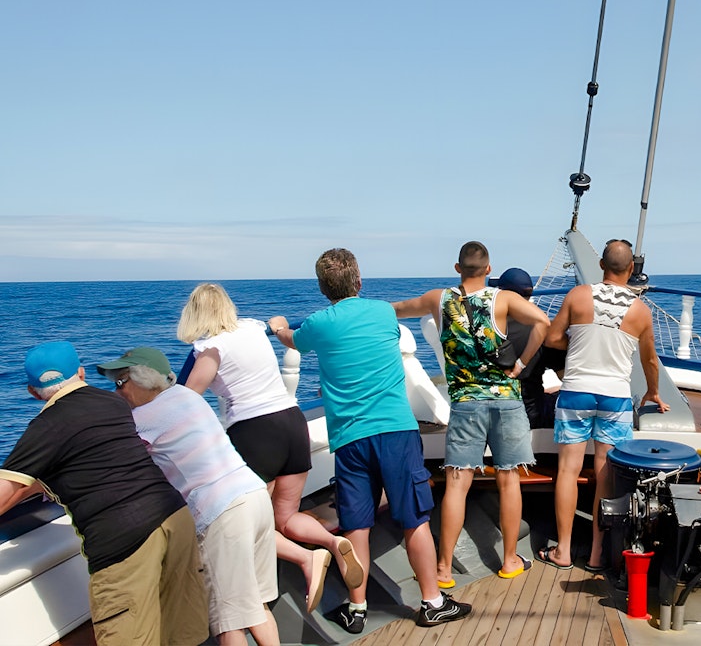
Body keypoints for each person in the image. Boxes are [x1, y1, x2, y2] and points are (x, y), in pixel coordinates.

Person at [270, 247, 471, 631]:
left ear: (321, 288)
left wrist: (279, 326)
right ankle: (432, 602)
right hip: (396, 430)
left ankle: (356, 608)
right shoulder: (381, 311)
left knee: (355, 526)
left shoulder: (317, 323)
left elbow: (292, 340)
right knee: (414, 520)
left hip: (349, 438)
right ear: (359, 281)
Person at [0, 342, 209, 646]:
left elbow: (6, 494)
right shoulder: (113, 403)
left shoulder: (45, 428)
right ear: (81, 373)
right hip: (174, 517)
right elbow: (94, 452)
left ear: (32, 392)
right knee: (184, 636)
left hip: (123, 540)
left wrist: (30, 478)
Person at [177, 282, 364, 613]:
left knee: (248, 523)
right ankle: (333, 542)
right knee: (285, 517)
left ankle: (307, 558)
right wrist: (278, 322)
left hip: (255, 433)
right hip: (292, 424)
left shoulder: (210, 348)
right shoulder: (251, 328)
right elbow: (276, 319)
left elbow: (187, 399)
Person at [392, 241, 551, 586]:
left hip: (465, 403)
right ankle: (509, 560)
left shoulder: (439, 299)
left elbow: (396, 310)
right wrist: (521, 364)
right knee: (509, 480)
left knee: (457, 483)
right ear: (489, 270)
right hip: (507, 401)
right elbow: (542, 322)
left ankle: (444, 568)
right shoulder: (504, 300)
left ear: (456, 268)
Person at [98, 347, 280, 646]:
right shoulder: (187, 396)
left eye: (120, 383)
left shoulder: (143, 418)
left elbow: (108, 461)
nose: (116, 393)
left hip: (222, 512)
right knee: (255, 605)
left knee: (229, 620)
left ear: (143, 381)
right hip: (253, 495)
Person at [540, 238, 669, 572]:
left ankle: (564, 550)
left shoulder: (578, 295)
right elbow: (650, 360)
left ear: (601, 266)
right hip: (615, 397)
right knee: (604, 474)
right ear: (631, 269)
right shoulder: (641, 310)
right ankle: (598, 553)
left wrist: (580, 339)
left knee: (567, 470)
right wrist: (653, 392)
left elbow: (553, 338)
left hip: (577, 391)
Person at [490, 267, 561, 428]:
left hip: (493, 411)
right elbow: (564, 376)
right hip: (531, 414)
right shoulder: (543, 331)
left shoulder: (486, 328)